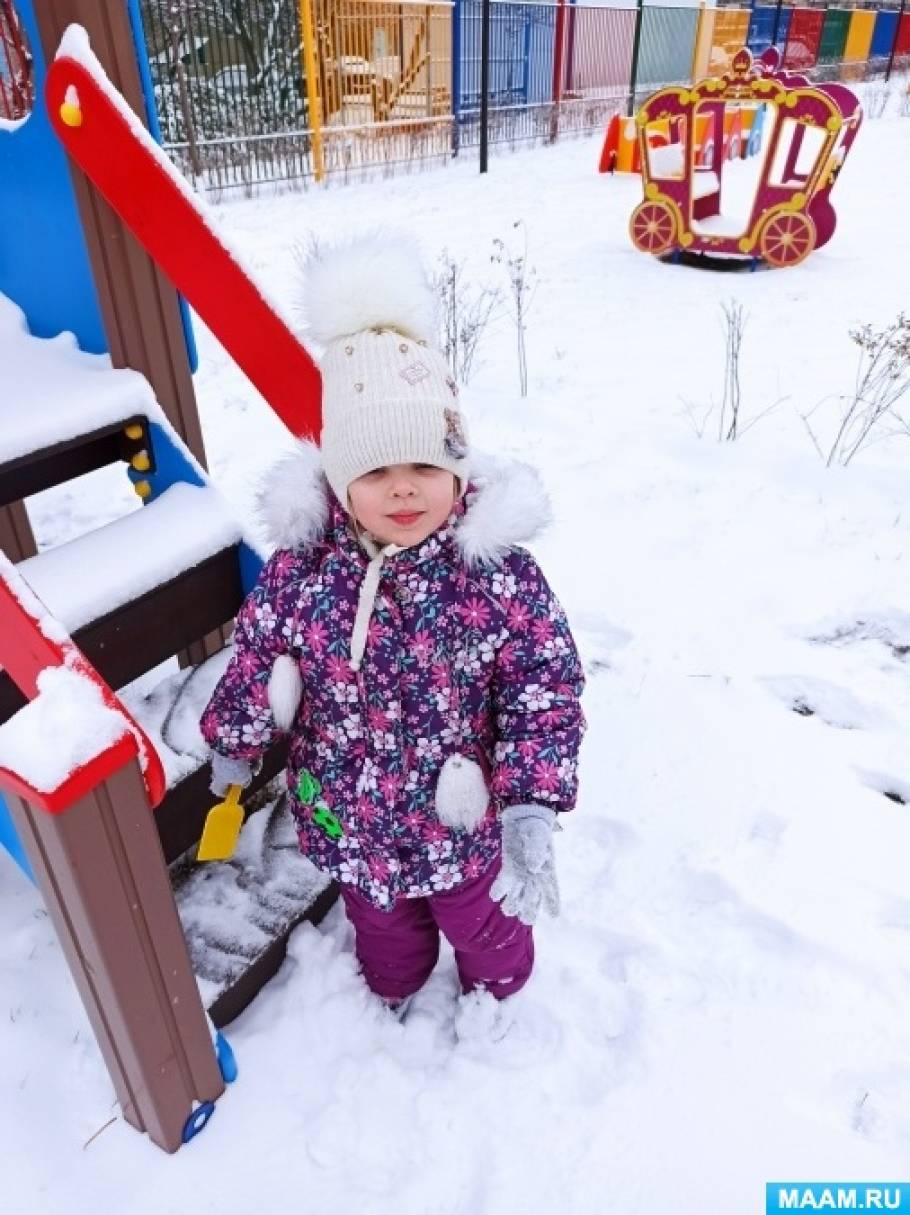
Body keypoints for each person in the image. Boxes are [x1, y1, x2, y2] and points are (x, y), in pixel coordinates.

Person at [200, 234, 585, 1013]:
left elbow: (544, 688)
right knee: (383, 928)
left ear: (458, 471)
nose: (404, 491)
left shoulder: (496, 572)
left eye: (426, 469)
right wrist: (234, 746)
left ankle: (495, 994)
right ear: (341, 481)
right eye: (376, 471)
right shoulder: (304, 569)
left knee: (484, 924)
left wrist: (530, 804)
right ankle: (396, 986)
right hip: (351, 810)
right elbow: (257, 656)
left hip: (462, 821)